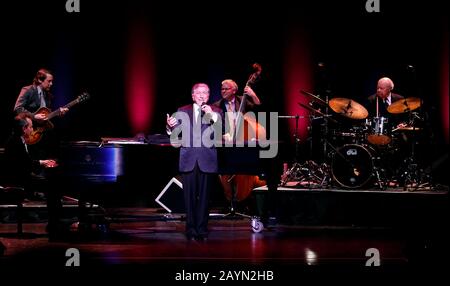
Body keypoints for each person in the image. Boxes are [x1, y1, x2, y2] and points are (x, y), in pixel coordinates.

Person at [166, 83, 223, 241]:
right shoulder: (182, 111)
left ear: (209, 95)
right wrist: (170, 126)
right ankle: (191, 229)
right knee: (189, 198)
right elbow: (175, 133)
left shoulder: (217, 111)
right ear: (193, 96)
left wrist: (211, 115)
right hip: (188, 159)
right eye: (199, 93)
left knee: (205, 199)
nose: (202, 95)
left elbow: (220, 132)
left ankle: (202, 230)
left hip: (207, 160)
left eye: (205, 92)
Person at [3, 113, 65, 240]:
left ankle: (55, 223)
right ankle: (54, 226)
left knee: (52, 185)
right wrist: (43, 163)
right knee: (52, 187)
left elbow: (25, 162)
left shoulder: (19, 140)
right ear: (24, 128)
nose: (32, 129)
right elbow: (23, 165)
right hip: (18, 180)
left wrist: (42, 162)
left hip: (22, 177)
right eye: (30, 127)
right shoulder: (15, 142)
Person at [13, 68, 69, 158]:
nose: (51, 84)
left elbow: (46, 115)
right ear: (40, 80)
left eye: (52, 81)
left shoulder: (48, 95)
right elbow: (17, 108)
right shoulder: (28, 90)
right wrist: (34, 116)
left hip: (42, 134)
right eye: (49, 81)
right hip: (29, 132)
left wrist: (58, 113)